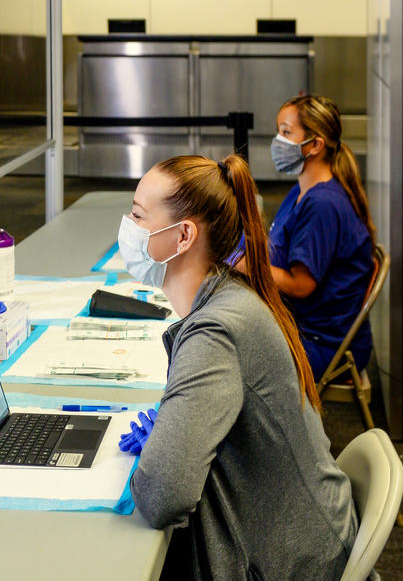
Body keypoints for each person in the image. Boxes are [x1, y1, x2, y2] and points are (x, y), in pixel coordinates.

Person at [116, 154, 357, 580]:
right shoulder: (232, 295)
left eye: (137, 215)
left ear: (183, 235)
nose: (127, 226)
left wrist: (160, 455)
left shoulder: (217, 330)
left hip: (285, 563)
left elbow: (161, 497)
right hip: (292, 541)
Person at [265, 94, 376, 380]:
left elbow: (301, 286)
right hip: (304, 328)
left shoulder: (322, 204)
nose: (279, 141)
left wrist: (247, 265)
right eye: (279, 132)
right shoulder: (301, 190)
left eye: (287, 133)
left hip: (322, 344)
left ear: (315, 145)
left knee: (232, 351)